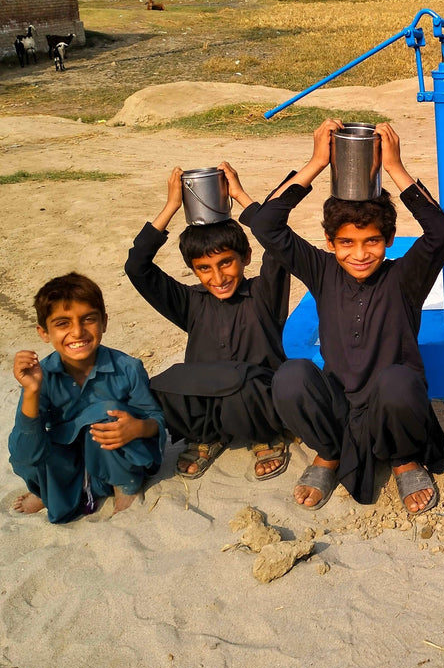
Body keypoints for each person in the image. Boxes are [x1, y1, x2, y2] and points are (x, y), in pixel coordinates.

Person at [249, 121, 444, 513]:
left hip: (394, 406)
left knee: (396, 380)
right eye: (346, 242)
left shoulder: (404, 278)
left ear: (389, 240)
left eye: (371, 241)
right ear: (330, 242)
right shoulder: (322, 270)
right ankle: (328, 453)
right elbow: (265, 225)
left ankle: (404, 459)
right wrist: (316, 163)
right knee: (291, 375)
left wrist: (395, 167)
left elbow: (441, 235)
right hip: (340, 403)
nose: (359, 254)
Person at [125, 163, 303, 481]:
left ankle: (266, 438)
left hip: (257, 404)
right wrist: (171, 205)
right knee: (160, 387)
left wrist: (239, 194)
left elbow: (277, 242)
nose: (218, 277)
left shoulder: (264, 293)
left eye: (226, 263)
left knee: (245, 386)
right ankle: (207, 436)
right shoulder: (190, 302)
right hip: (209, 404)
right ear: (193, 270)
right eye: (204, 268)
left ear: (245, 257)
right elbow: (138, 267)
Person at [9, 273, 166, 522]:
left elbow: (155, 418)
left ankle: (122, 486)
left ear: (103, 322)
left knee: (107, 413)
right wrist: (31, 391)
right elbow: (26, 453)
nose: (78, 331)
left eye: (88, 319)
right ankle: (49, 492)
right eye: (62, 323)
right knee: (26, 450)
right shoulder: (43, 377)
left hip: (113, 458)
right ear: (44, 332)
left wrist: (137, 428)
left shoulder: (127, 368)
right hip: (71, 464)